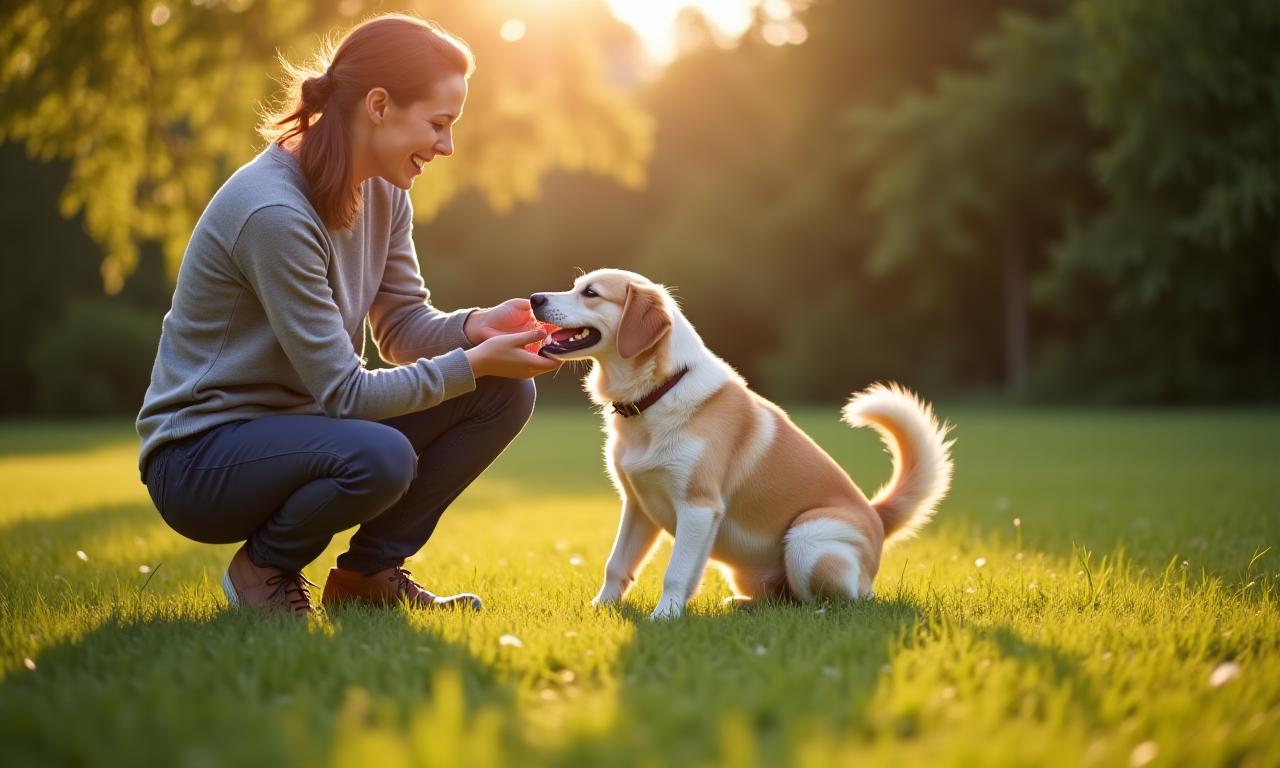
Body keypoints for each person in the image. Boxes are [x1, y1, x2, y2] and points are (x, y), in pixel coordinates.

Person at [136, 14, 560, 618]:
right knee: (380, 454)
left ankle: (367, 575)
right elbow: (343, 393)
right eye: (438, 124)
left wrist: (475, 330)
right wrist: (469, 361)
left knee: (501, 393)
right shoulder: (273, 213)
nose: (447, 146)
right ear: (380, 105)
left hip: (307, 429)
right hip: (200, 458)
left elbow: (401, 328)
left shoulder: (385, 190)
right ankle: (263, 569)